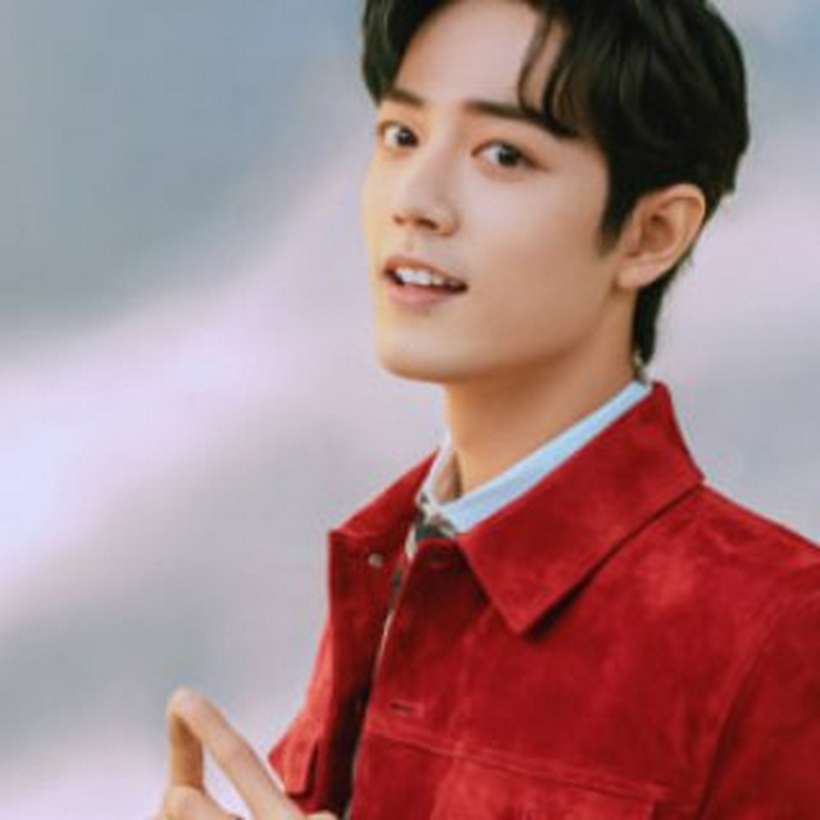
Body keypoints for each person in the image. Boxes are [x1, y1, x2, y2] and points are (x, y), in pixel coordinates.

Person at [158, 0, 820, 818]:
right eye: (401, 135)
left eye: (503, 154)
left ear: (651, 233)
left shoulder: (780, 628)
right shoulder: (394, 564)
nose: (416, 198)